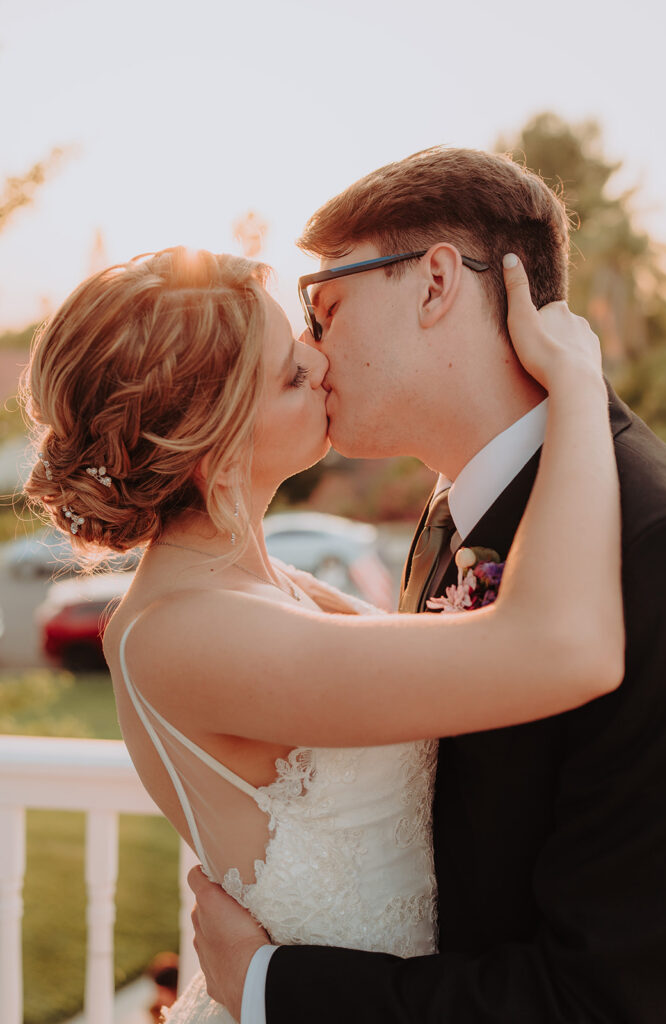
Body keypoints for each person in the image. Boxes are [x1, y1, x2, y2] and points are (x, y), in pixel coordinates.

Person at [21, 237, 622, 1024]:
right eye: (289, 375)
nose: (321, 362)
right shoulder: (186, 633)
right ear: (216, 443)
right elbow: (561, 650)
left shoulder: (271, 586)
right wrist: (577, 383)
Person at [187, 148, 666, 1024]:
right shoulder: (454, 506)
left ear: (433, 284)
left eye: (325, 304)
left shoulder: (657, 547)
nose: (311, 347)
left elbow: (614, 993)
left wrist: (270, 987)